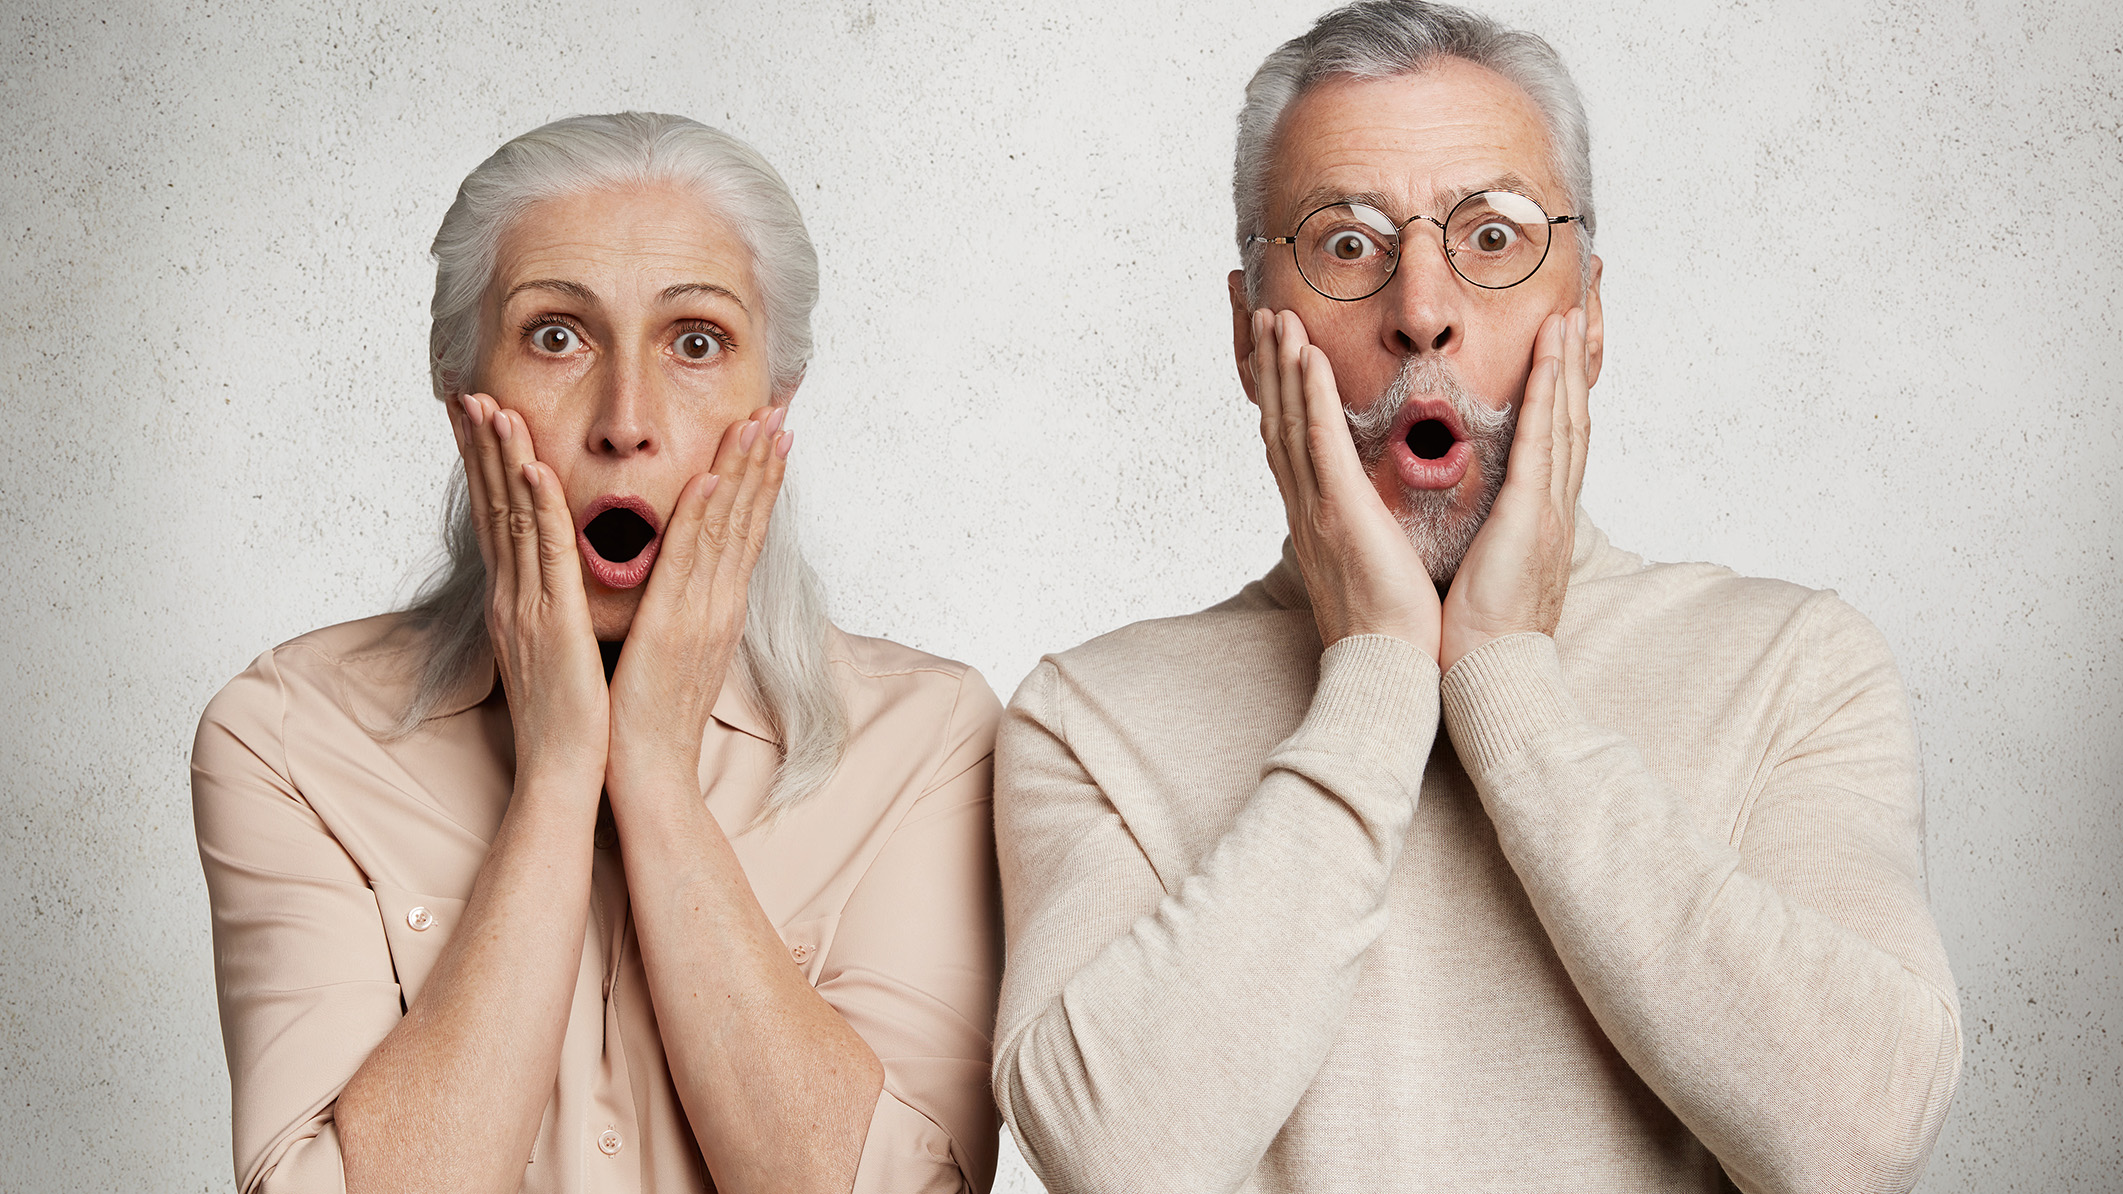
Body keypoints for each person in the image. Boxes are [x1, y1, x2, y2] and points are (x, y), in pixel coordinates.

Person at [990, 4, 1961, 1191]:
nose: (1420, 309)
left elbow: (1855, 1141)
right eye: (1345, 245)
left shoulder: (1795, 667)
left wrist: (1506, 679)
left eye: (1490, 238)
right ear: (1251, 339)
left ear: (1587, 317)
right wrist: (1378, 674)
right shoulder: (1087, 718)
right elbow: (1123, 1163)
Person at [192, 112, 1002, 1194]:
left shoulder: (929, 742)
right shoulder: (291, 736)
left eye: (697, 341)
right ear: (459, 394)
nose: (626, 421)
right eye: (556, 335)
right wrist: (560, 772)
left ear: (775, 403)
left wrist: (654, 776)